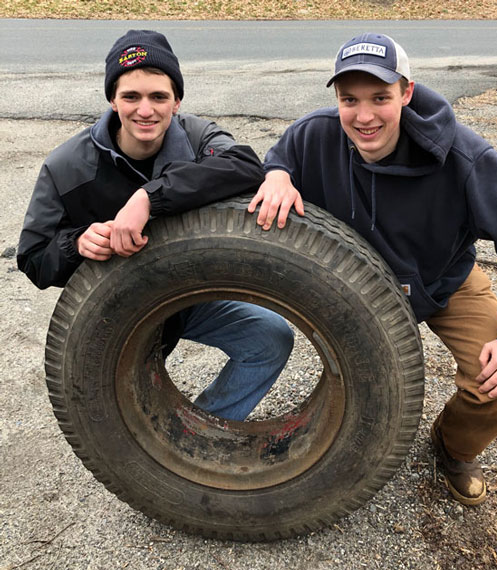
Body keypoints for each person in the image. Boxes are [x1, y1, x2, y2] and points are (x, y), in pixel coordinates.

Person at [249, 32, 497, 505]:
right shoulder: (316, 134)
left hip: (442, 282)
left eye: (380, 97)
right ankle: (323, 447)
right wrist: (276, 174)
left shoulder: (465, 157)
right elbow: (283, 153)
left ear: (407, 92)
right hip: (357, 288)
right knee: (362, 393)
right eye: (349, 99)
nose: (364, 115)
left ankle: (451, 446)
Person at [17, 29, 294, 421]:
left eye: (158, 97)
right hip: (120, 309)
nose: (145, 110)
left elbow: (246, 166)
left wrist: (149, 197)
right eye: (131, 96)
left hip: (189, 293)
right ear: (112, 99)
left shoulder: (199, 138)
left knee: (270, 337)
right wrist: (76, 244)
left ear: (176, 101)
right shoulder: (65, 166)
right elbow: (32, 258)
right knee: (123, 417)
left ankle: (203, 429)